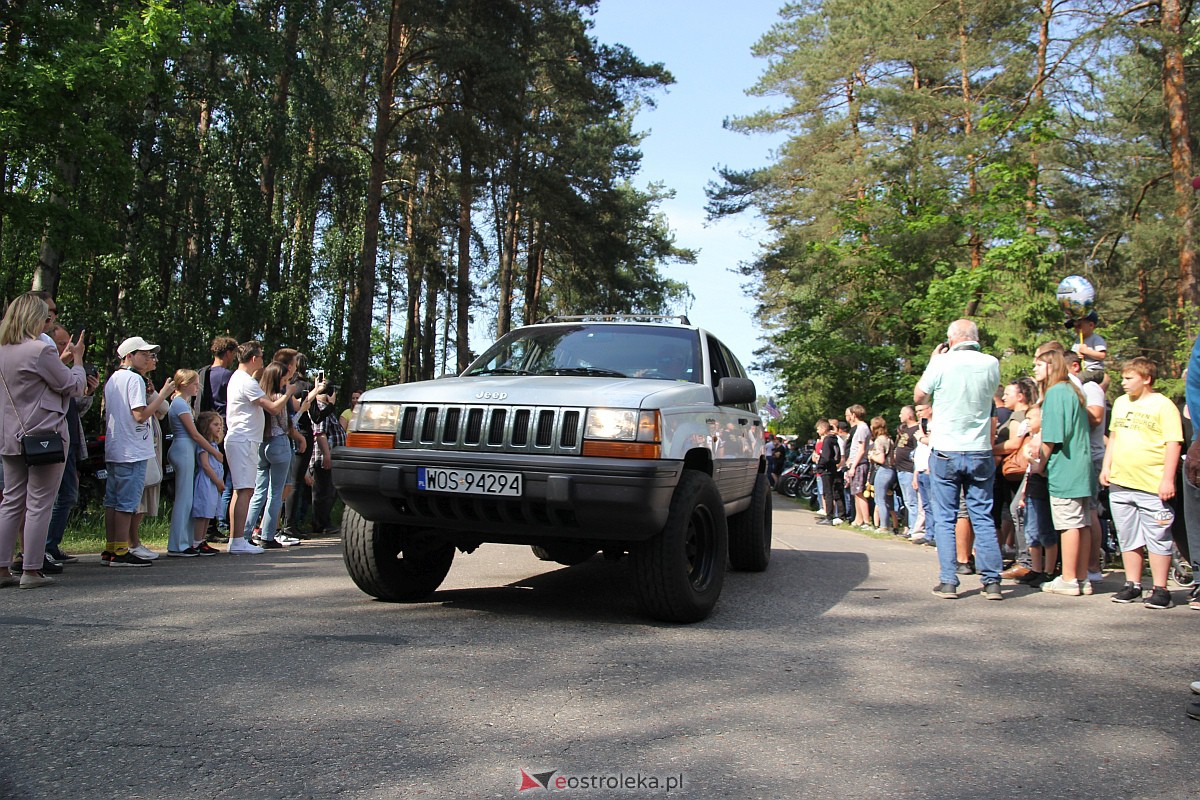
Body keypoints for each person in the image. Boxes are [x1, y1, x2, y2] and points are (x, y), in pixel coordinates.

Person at [913, 319, 1003, 600]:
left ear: (950, 340)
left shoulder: (941, 363)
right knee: (982, 516)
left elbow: (919, 395)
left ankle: (949, 581)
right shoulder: (991, 363)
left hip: (946, 449)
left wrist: (933, 362)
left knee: (945, 517)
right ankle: (992, 582)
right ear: (974, 338)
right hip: (979, 449)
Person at [0, 293, 85, 588]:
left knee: (11, 502)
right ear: (34, 318)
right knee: (39, 503)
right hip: (44, 435)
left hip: (9, 435)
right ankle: (31, 569)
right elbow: (73, 385)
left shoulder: (2, 349)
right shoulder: (39, 351)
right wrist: (78, 360)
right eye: (46, 318)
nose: (49, 323)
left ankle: (1, 568)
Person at [1100, 357, 1182, 608]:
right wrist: (1106, 466)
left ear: (1146, 379)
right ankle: (1132, 584)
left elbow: (1173, 443)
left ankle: (1160, 588)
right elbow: (1113, 437)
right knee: (1128, 536)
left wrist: (1167, 479)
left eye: (1129, 378)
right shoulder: (1122, 404)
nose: (1123, 383)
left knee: (1158, 536)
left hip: (1151, 484)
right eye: (1123, 378)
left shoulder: (1163, 405)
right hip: (1121, 482)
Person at [103, 336, 173, 567]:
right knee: (127, 503)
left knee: (113, 501)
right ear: (129, 356)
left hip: (116, 447)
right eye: (144, 354)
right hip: (132, 449)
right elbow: (140, 415)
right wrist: (162, 394)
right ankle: (122, 550)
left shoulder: (115, 378)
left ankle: (112, 548)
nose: (148, 358)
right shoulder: (134, 379)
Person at [224, 341, 296, 554]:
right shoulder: (246, 381)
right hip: (244, 439)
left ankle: (237, 538)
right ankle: (237, 540)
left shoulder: (238, 379)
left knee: (244, 489)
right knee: (245, 489)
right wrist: (288, 392)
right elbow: (273, 408)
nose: (263, 361)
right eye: (262, 357)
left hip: (245, 439)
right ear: (254, 359)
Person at [1034, 348, 1095, 597]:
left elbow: (1052, 436)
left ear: (1051, 366)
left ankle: (1068, 578)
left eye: (1038, 365)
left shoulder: (1057, 392)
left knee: (1068, 523)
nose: (1035, 370)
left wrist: (1040, 464)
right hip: (1081, 466)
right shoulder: (1072, 390)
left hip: (1066, 468)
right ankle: (1082, 578)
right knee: (1083, 523)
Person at [44, 322, 99, 564]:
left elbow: (74, 407)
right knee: (45, 496)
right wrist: (73, 362)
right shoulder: (44, 367)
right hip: (47, 441)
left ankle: (49, 546)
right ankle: (38, 550)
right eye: (62, 344)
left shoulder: (62, 371)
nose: (68, 348)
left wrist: (87, 393)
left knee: (67, 493)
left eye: (71, 344)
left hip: (67, 439)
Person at [168, 369, 223, 556]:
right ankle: (178, 544)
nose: (197, 387)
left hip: (186, 449)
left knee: (187, 499)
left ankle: (188, 540)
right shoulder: (179, 404)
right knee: (184, 499)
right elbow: (194, 434)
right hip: (183, 448)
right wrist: (213, 451)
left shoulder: (183, 404)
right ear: (183, 384)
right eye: (194, 383)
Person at [310, 384, 344, 536]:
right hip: (322, 458)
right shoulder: (321, 408)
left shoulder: (325, 409)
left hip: (327, 457)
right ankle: (320, 524)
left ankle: (324, 522)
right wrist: (327, 455)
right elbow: (320, 433)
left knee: (329, 491)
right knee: (323, 492)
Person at [191, 411, 226, 553]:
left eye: (220, 425)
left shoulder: (213, 445)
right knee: (203, 512)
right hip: (206, 481)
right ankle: (196, 541)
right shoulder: (204, 446)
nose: (219, 427)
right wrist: (218, 481)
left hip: (213, 482)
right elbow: (205, 465)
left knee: (209, 512)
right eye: (215, 424)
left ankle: (202, 539)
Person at [843, 406, 871, 527]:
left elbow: (861, 449)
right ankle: (858, 519)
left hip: (859, 463)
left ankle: (866, 521)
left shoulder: (862, 428)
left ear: (854, 415)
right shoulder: (858, 428)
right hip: (854, 462)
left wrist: (853, 466)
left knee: (859, 492)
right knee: (855, 492)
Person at [868, 416, 896, 532]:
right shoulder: (889, 439)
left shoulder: (879, 440)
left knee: (880, 499)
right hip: (891, 470)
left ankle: (884, 525)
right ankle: (889, 524)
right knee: (886, 499)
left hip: (883, 470)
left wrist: (871, 456)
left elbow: (881, 459)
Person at [814, 420, 842, 525]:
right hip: (832, 467)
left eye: (818, 429)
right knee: (833, 491)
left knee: (827, 493)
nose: (817, 431)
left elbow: (825, 456)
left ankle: (829, 516)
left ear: (824, 429)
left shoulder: (827, 440)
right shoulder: (834, 439)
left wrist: (820, 466)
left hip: (826, 469)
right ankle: (836, 514)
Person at [1069, 311, 1107, 384]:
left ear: (1091, 325)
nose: (1076, 329)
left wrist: (1086, 351)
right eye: (1075, 326)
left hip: (1095, 370)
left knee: (1078, 379)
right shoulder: (1077, 341)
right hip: (1082, 371)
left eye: (1079, 326)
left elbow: (1102, 355)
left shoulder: (1096, 339)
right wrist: (1077, 355)